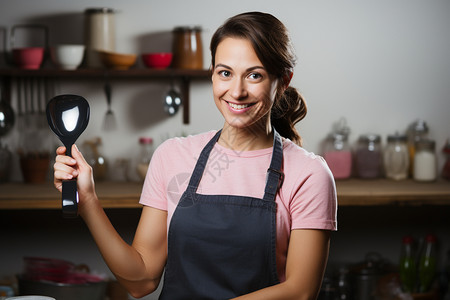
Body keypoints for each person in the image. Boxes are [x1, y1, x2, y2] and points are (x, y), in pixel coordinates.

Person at [53, 11, 337, 299]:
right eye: (225, 73)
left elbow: (300, 292)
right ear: (212, 73)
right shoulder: (173, 156)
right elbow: (141, 280)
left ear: (283, 81)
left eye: (254, 75)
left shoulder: (308, 174)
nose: (236, 92)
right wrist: (88, 201)